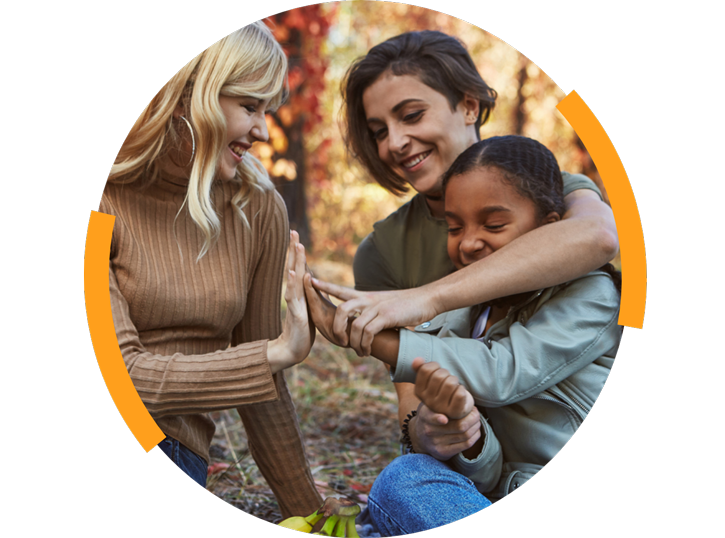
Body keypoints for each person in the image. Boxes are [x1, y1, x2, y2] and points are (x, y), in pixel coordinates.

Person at [311, 29, 619, 466]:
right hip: (482, 462)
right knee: (408, 477)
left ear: (469, 105)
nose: (394, 143)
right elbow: (413, 407)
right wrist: (437, 431)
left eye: (412, 115)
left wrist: (423, 300)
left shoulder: (545, 185)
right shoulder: (382, 251)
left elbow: (599, 237)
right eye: (380, 130)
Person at [305, 135, 621, 534]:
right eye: (454, 227)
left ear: (549, 229)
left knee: (395, 490)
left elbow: (503, 372)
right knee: (409, 476)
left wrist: (369, 339)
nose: (469, 243)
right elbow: (490, 476)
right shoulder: (464, 314)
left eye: (493, 224)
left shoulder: (592, 295)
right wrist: (464, 434)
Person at [99, 22, 322, 518]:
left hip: (169, 444)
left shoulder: (257, 206)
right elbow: (118, 374)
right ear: (190, 96)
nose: (264, 131)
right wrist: (277, 352)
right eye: (249, 107)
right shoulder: (103, 202)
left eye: (268, 110)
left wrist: (316, 518)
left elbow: (263, 389)